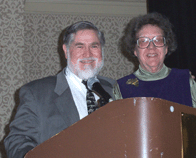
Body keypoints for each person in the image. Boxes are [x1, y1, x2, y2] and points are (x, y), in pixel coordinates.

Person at [4, 21, 116, 158]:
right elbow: (18, 141)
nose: (88, 53)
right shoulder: (36, 93)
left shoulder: (117, 90)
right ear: (66, 51)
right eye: (80, 46)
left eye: (94, 46)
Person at [113, 12, 196, 110]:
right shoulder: (122, 88)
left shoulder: (186, 81)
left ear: (166, 48)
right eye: (143, 41)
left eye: (158, 40)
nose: (151, 47)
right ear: (135, 50)